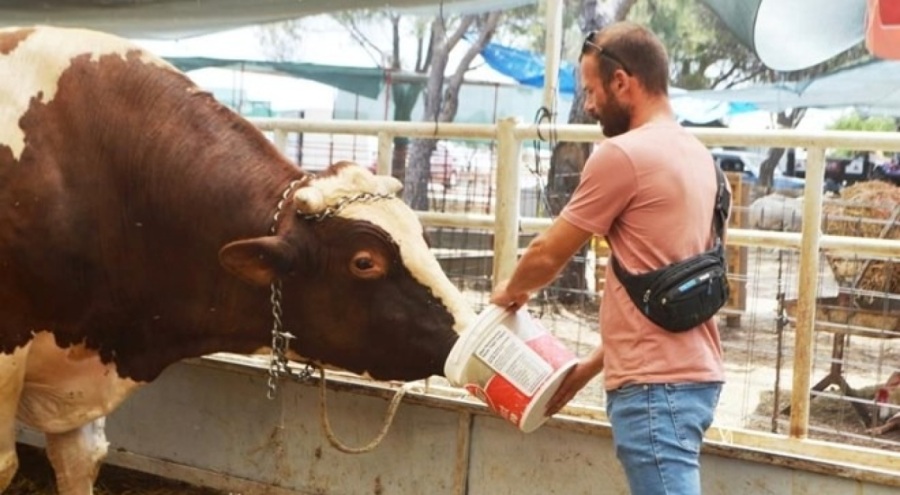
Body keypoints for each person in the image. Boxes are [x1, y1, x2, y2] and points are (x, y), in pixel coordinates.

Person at [490, 21, 726, 495]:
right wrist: (585, 371)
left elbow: (547, 253)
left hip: (655, 389)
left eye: (592, 90)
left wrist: (507, 297)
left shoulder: (622, 155)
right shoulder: (703, 159)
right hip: (696, 373)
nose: (590, 104)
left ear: (623, 81)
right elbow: (658, 290)